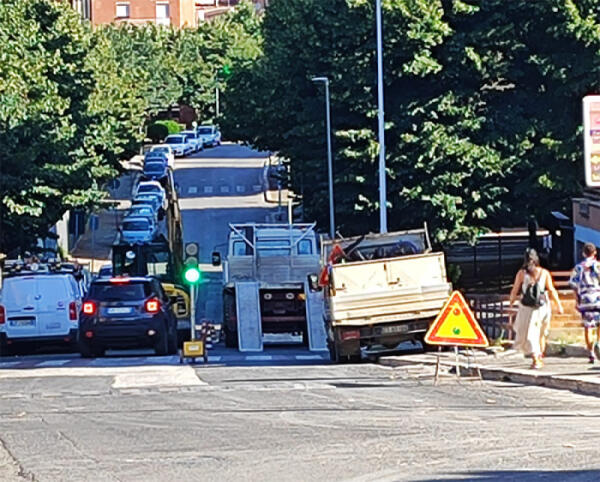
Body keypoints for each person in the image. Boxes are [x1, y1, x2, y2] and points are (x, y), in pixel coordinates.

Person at [509, 248, 563, 369]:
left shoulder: (522, 273)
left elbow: (515, 290)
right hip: (542, 307)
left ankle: (536, 359)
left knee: (530, 333)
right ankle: (539, 357)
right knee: (541, 333)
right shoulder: (544, 273)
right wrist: (558, 305)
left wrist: (511, 303)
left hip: (527, 308)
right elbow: (551, 290)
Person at [569, 243, 600, 363]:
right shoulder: (598, 266)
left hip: (585, 299)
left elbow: (574, 286)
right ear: (595, 252)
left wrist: (576, 300)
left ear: (583, 253)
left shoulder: (578, 268)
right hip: (598, 298)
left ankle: (591, 352)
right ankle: (599, 344)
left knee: (588, 326)